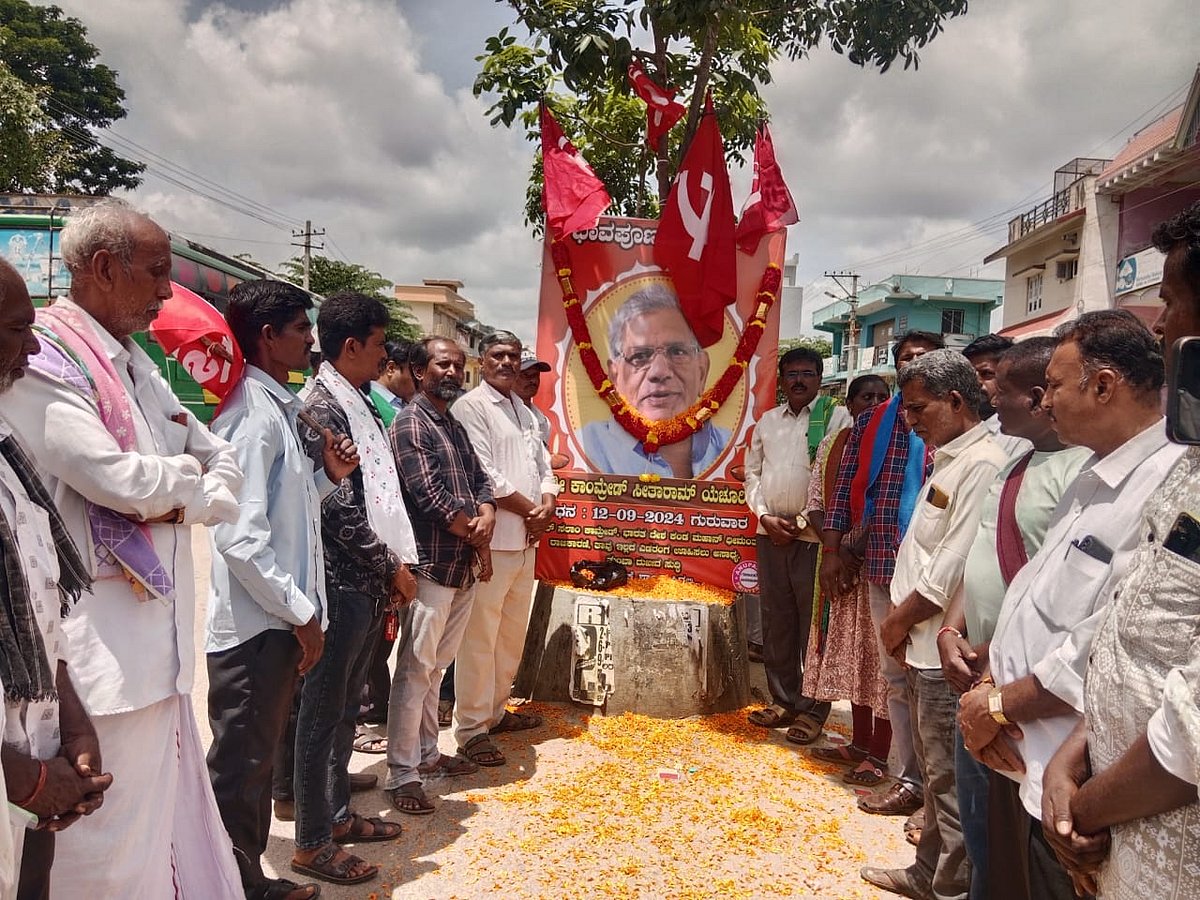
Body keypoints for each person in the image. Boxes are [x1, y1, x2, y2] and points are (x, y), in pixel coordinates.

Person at [5, 199, 244, 897]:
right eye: (159, 274)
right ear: (104, 269)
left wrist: (181, 486)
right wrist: (186, 486)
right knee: (97, 856)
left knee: (151, 843)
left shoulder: (132, 361)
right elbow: (119, 481)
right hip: (98, 663)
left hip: (153, 654)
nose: (169, 295)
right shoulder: (44, 353)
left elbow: (209, 455)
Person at [960, 310, 1185, 900]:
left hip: (1073, 781)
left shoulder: (1163, 484)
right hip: (1020, 755)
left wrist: (1001, 704)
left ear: (1104, 385)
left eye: (1055, 386)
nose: (1044, 402)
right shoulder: (1089, 473)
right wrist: (991, 681)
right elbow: (1037, 600)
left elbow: (1105, 640)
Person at [1041, 201, 1200, 900]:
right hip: (1115, 843)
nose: (1160, 326)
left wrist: (1084, 807)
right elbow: (1130, 627)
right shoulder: (1192, 462)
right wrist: (1073, 755)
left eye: (1169, 302)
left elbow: (1191, 732)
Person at [206, 279, 362, 900]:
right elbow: (239, 540)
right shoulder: (250, 414)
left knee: (256, 762)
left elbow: (285, 516)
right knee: (242, 769)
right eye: (300, 328)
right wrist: (304, 614)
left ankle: (240, 879)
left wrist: (328, 478)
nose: (310, 340)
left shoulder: (277, 407)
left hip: (274, 622)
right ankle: (231, 883)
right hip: (255, 630)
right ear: (266, 336)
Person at [935, 337, 1089, 900]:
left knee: (1025, 860)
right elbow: (983, 550)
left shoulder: (1081, 473)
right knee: (984, 835)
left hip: (1026, 697)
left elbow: (1067, 602)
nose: (989, 396)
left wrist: (997, 677)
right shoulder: (1013, 462)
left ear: (1038, 394)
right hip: (978, 677)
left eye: (1000, 385)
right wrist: (952, 631)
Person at [859, 349, 1009, 900]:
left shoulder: (982, 464)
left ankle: (949, 888)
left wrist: (896, 622)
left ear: (955, 401)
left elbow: (950, 568)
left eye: (919, 409)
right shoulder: (949, 459)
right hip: (919, 644)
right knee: (933, 773)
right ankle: (927, 874)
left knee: (949, 786)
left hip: (940, 647)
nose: (910, 420)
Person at [290, 292, 418, 886]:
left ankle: (337, 815)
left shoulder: (359, 402)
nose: (387, 354)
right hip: (343, 582)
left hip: (366, 583)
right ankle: (313, 839)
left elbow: (377, 491)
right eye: (380, 344)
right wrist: (390, 562)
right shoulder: (320, 408)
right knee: (322, 714)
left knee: (345, 710)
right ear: (350, 347)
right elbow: (337, 508)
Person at [0, 259, 111, 899]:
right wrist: (23, 779)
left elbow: (38, 607)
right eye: (19, 329)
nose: (35, 346)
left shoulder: (9, 454)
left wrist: (72, 724)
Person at [821, 330, 944, 823]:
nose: (914, 363)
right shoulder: (873, 422)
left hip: (939, 571)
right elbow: (841, 495)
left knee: (934, 679)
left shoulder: (958, 424)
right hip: (880, 564)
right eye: (906, 358)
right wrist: (834, 549)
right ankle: (909, 778)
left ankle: (938, 793)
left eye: (924, 357)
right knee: (896, 677)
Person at [385, 337, 496, 814]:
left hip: (461, 567)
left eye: (457, 365)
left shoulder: (450, 423)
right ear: (418, 368)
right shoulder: (411, 423)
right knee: (414, 670)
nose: (451, 372)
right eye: (442, 364)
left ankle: (428, 755)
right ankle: (401, 773)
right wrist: (477, 532)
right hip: (431, 566)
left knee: (435, 669)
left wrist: (488, 513)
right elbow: (428, 498)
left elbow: (481, 479)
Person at [744, 348, 851, 742]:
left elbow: (838, 480)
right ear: (783, 380)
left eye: (807, 373)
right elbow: (751, 475)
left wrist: (804, 519)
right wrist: (764, 517)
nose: (799, 380)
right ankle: (783, 700)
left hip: (816, 539)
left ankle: (813, 709)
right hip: (770, 535)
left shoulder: (837, 418)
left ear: (820, 378)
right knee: (777, 621)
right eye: (792, 374)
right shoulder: (768, 422)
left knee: (814, 626)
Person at [803, 374, 893, 786]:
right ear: (850, 403)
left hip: (880, 565)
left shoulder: (901, 440)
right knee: (854, 657)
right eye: (865, 397)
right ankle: (858, 743)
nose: (873, 403)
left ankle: (879, 754)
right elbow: (819, 504)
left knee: (879, 662)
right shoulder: (837, 442)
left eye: (882, 397)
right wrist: (835, 552)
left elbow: (891, 507)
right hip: (841, 567)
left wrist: (857, 550)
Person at [579, 284, 731, 478]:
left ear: (702, 371)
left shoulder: (731, 448)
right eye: (640, 356)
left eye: (677, 352)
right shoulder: (586, 447)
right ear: (615, 377)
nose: (659, 372)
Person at [360, 340, 418, 727]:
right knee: (369, 642)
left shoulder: (396, 408)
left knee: (384, 634)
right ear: (393, 368)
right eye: (415, 371)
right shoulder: (376, 407)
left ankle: (375, 707)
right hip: (373, 536)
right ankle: (367, 712)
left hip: (396, 532)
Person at [961, 334, 1030, 460]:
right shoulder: (957, 428)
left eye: (986, 374)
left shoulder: (1017, 436)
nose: (976, 382)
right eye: (969, 374)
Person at [367, 340, 415, 429]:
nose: (418, 379)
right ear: (391, 368)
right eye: (414, 373)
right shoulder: (368, 400)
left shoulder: (405, 403)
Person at [515, 349, 552, 445]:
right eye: (526, 375)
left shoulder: (543, 422)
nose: (533, 380)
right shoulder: (501, 415)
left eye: (536, 375)